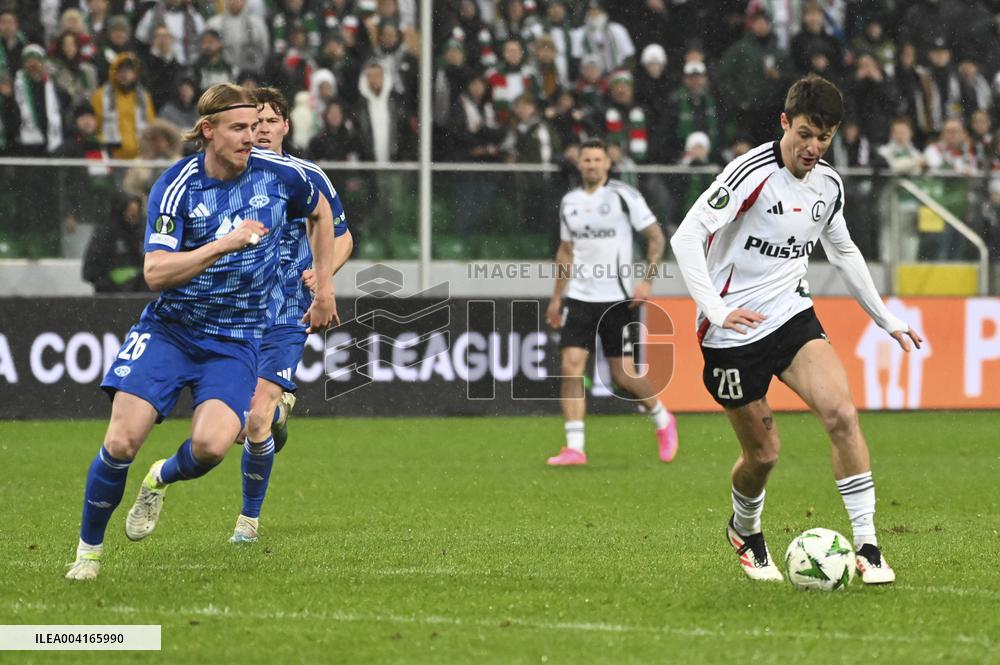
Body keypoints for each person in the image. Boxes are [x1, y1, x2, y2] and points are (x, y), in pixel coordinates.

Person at [65, 83, 337, 581]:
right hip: (172, 330)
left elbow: (323, 213)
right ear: (208, 132)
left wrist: (324, 289)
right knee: (123, 440)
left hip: (236, 338)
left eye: (256, 128)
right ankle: (87, 554)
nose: (251, 137)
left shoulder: (284, 176)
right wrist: (222, 245)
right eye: (239, 128)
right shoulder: (176, 185)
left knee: (213, 447)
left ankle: (158, 479)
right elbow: (155, 273)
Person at [669, 74, 922, 585]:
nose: (812, 147)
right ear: (784, 123)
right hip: (733, 332)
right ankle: (745, 529)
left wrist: (885, 317)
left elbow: (844, 250)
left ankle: (869, 547)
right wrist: (715, 311)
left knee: (842, 415)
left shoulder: (829, 184)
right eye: (804, 133)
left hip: (791, 314)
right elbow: (687, 235)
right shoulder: (750, 175)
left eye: (823, 137)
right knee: (763, 455)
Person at [231, 86, 352, 544]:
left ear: (285, 126)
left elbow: (343, 236)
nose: (260, 129)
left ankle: (247, 522)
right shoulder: (229, 175)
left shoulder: (307, 176)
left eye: (269, 121)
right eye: (252, 121)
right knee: (240, 426)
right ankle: (276, 417)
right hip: (235, 310)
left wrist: (323, 275)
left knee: (254, 420)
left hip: (286, 309)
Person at [544, 138, 678, 467]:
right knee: (571, 367)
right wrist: (556, 297)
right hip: (579, 297)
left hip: (617, 299)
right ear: (579, 164)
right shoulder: (570, 201)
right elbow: (565, 251)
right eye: (586, 159)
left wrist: (647, 280)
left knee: (623, 375)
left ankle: (662, 418)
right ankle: (575, 447)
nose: (591, 164)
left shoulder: (624, 196)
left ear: (607, 163)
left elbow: (656, 236)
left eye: (597, 159)